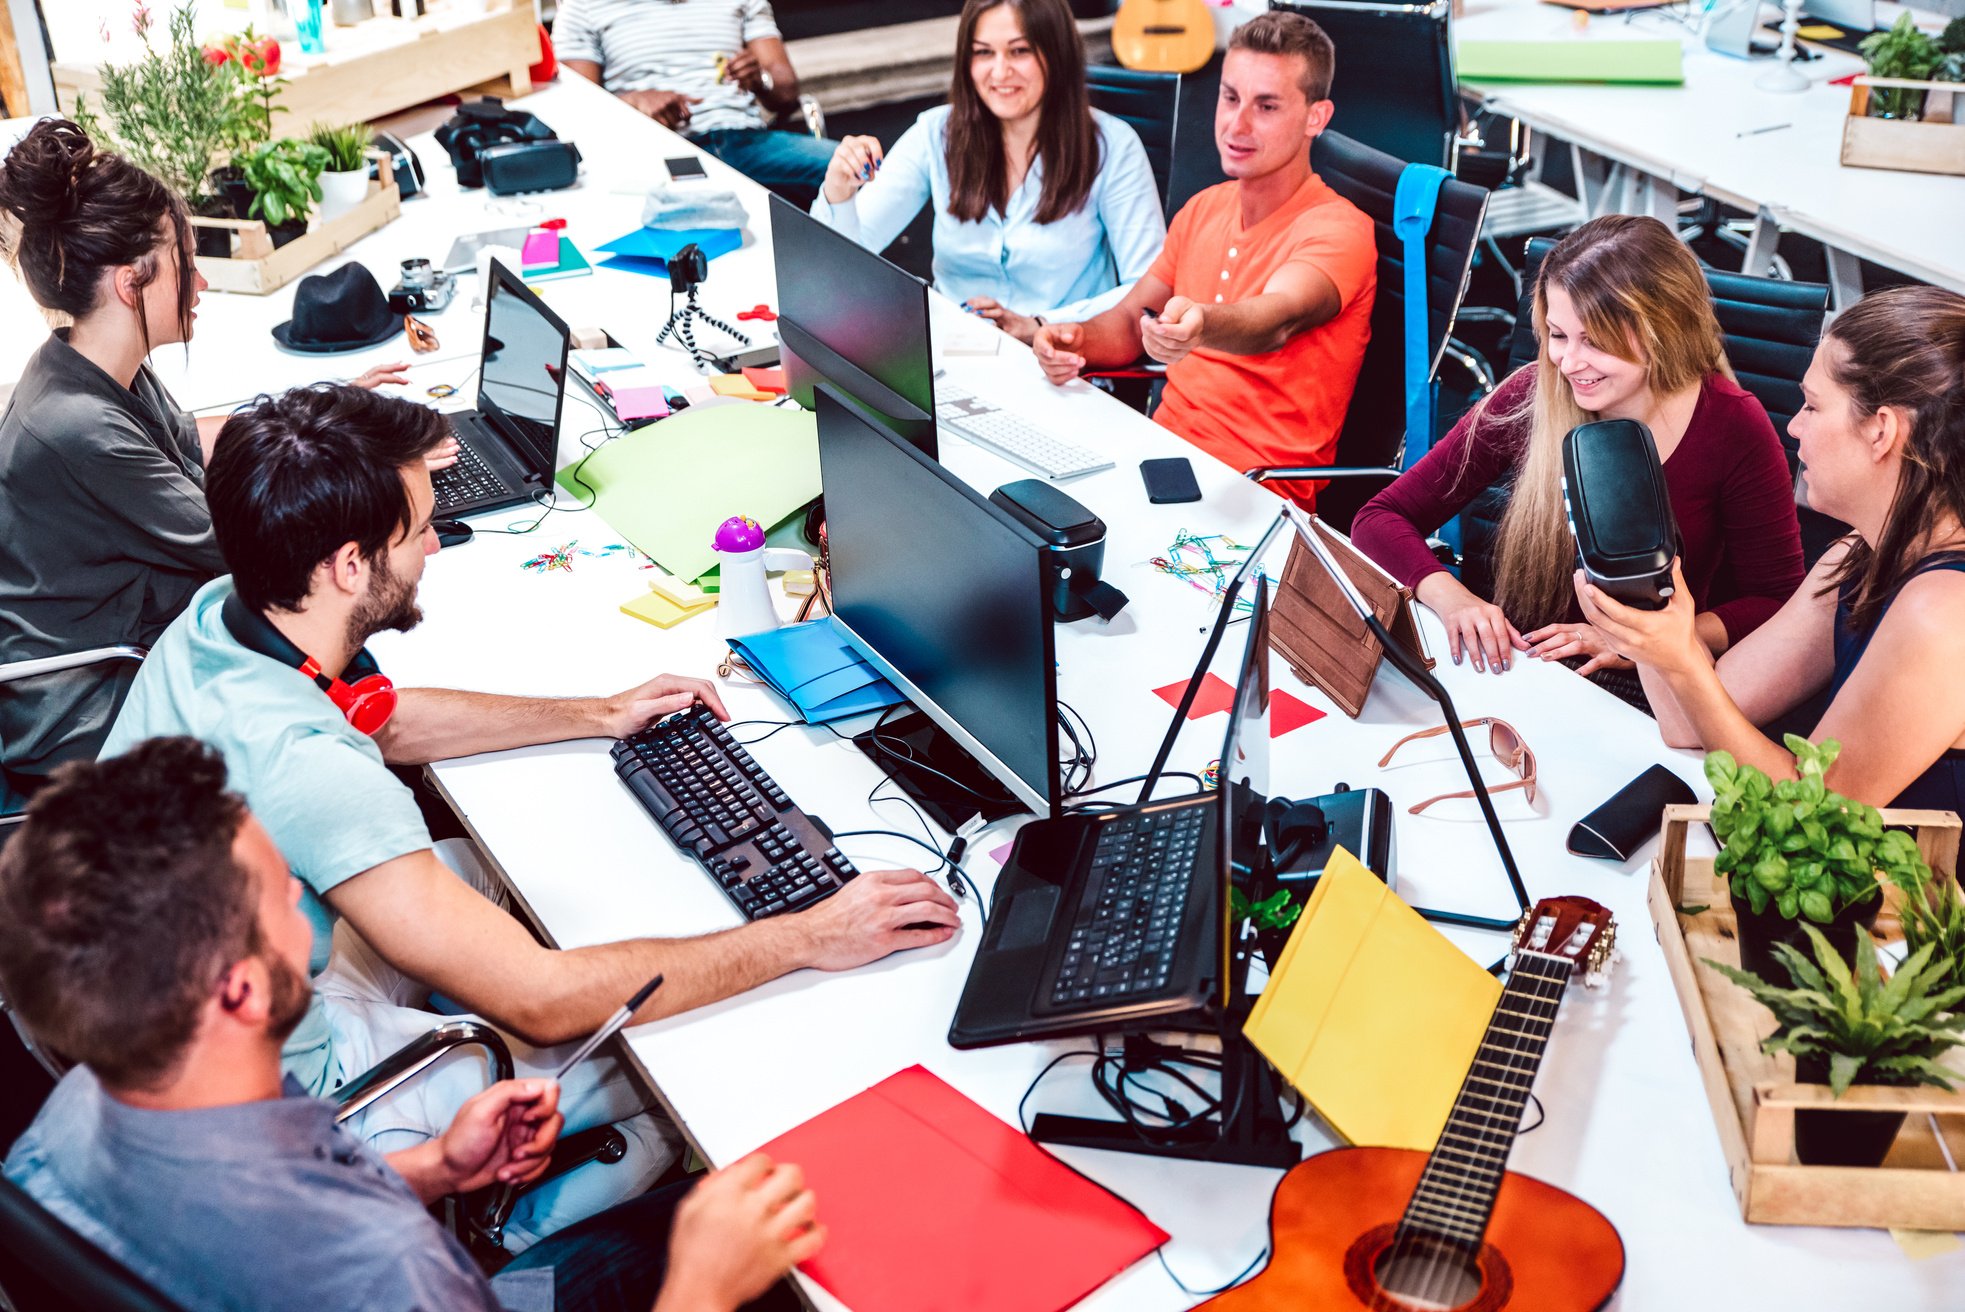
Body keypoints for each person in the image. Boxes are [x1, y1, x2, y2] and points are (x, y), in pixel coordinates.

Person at [100, 383, 962, 1249]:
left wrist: (595, 712)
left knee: (514, 879)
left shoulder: (224, 617)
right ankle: (518, 1240)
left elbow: (381, 717)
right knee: (679, 1047)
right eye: (420, 531)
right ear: (350, 565)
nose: (435, 545)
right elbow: (544, 1002)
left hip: (200, 1005)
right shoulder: (302, 767)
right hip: (288, 1104)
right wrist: (810, 932)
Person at [0, 737, 815, 1312]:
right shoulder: (387, 1271)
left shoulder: (75, 1110)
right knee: (731, 1213)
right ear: (241, 991)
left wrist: (432, 1168)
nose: (300, 898)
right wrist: (701, 1290)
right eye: (280, 890)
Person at [0, 119, 447, 794]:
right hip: (89, 708)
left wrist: (323, 417)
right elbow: (243, 547)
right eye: (186, 264)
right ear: (131, 284)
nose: (202, 284)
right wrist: (382, 496)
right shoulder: (76, 424)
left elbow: (195, 440)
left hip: (135, 642)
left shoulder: (89, 366)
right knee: (342, 660)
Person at [1351, 214, 1804, 679]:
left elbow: (1777, 602)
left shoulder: (1732, 424)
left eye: (1596, 341)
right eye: (1559, 335)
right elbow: (1379, 518)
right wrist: (1453, 598)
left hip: (1652, 683)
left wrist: (1637, 639)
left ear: (1664, 331)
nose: (1568, 362)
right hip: (1523, 665)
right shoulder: (1534, 394)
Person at [1578, 285, 1965, 811]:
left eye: (1812, 405)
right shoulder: (1857, 556)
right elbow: (1687, 724)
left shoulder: (1943, 610)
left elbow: (1814, 815)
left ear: (1881, 431)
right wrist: (1647, 604)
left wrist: (1683, 662)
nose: (1794, 426)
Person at [1029, 12, 1375, 506]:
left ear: (1315, 118)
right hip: (1159, 459)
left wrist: (1201, 324)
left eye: (1267, 106)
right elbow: (1132, 320)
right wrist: (1076, 337)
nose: (1238, 124)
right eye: (1230, 98)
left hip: (1259, 493)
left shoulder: (1341, 229)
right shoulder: (1204, 207)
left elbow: (1277, 318)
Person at [812, 0, 1166, 343]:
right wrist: (839, 192)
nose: (999, 72)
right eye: (983, 53)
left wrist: (1041, 325)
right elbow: (839, 261)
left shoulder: (1113, 147)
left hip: (1062, 364)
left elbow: (1150, 289)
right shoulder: (936, 134)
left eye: (1020, 51)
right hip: (950, 358)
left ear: (1056, 54)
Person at [555, 0, 834, 195]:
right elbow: (578, 113)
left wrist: (759, 79)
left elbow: (786, 92)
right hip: (653, 151)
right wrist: (634, 104)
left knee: (865, 174)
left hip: (745, 142)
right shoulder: (583, 6)